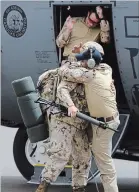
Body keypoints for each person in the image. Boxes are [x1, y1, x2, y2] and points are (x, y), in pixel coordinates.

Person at [57, 41, 120, 192]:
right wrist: (81, 53)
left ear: (92, 62)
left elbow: (63, 71)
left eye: (84, 60)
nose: (82, 62)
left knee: (104, 164)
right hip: (107, 120)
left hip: (103, 125)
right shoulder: (106, 69)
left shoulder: (89, 75)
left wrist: (71, 57)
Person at [35, 63, 92, 192]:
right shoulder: (74, 73)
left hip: (79, 122)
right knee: (60, 154)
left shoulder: (89, 73)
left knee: (83, 156)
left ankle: (79, 187)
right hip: (62, 119)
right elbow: (62, 90)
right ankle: (43, 185)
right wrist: (71, 105)